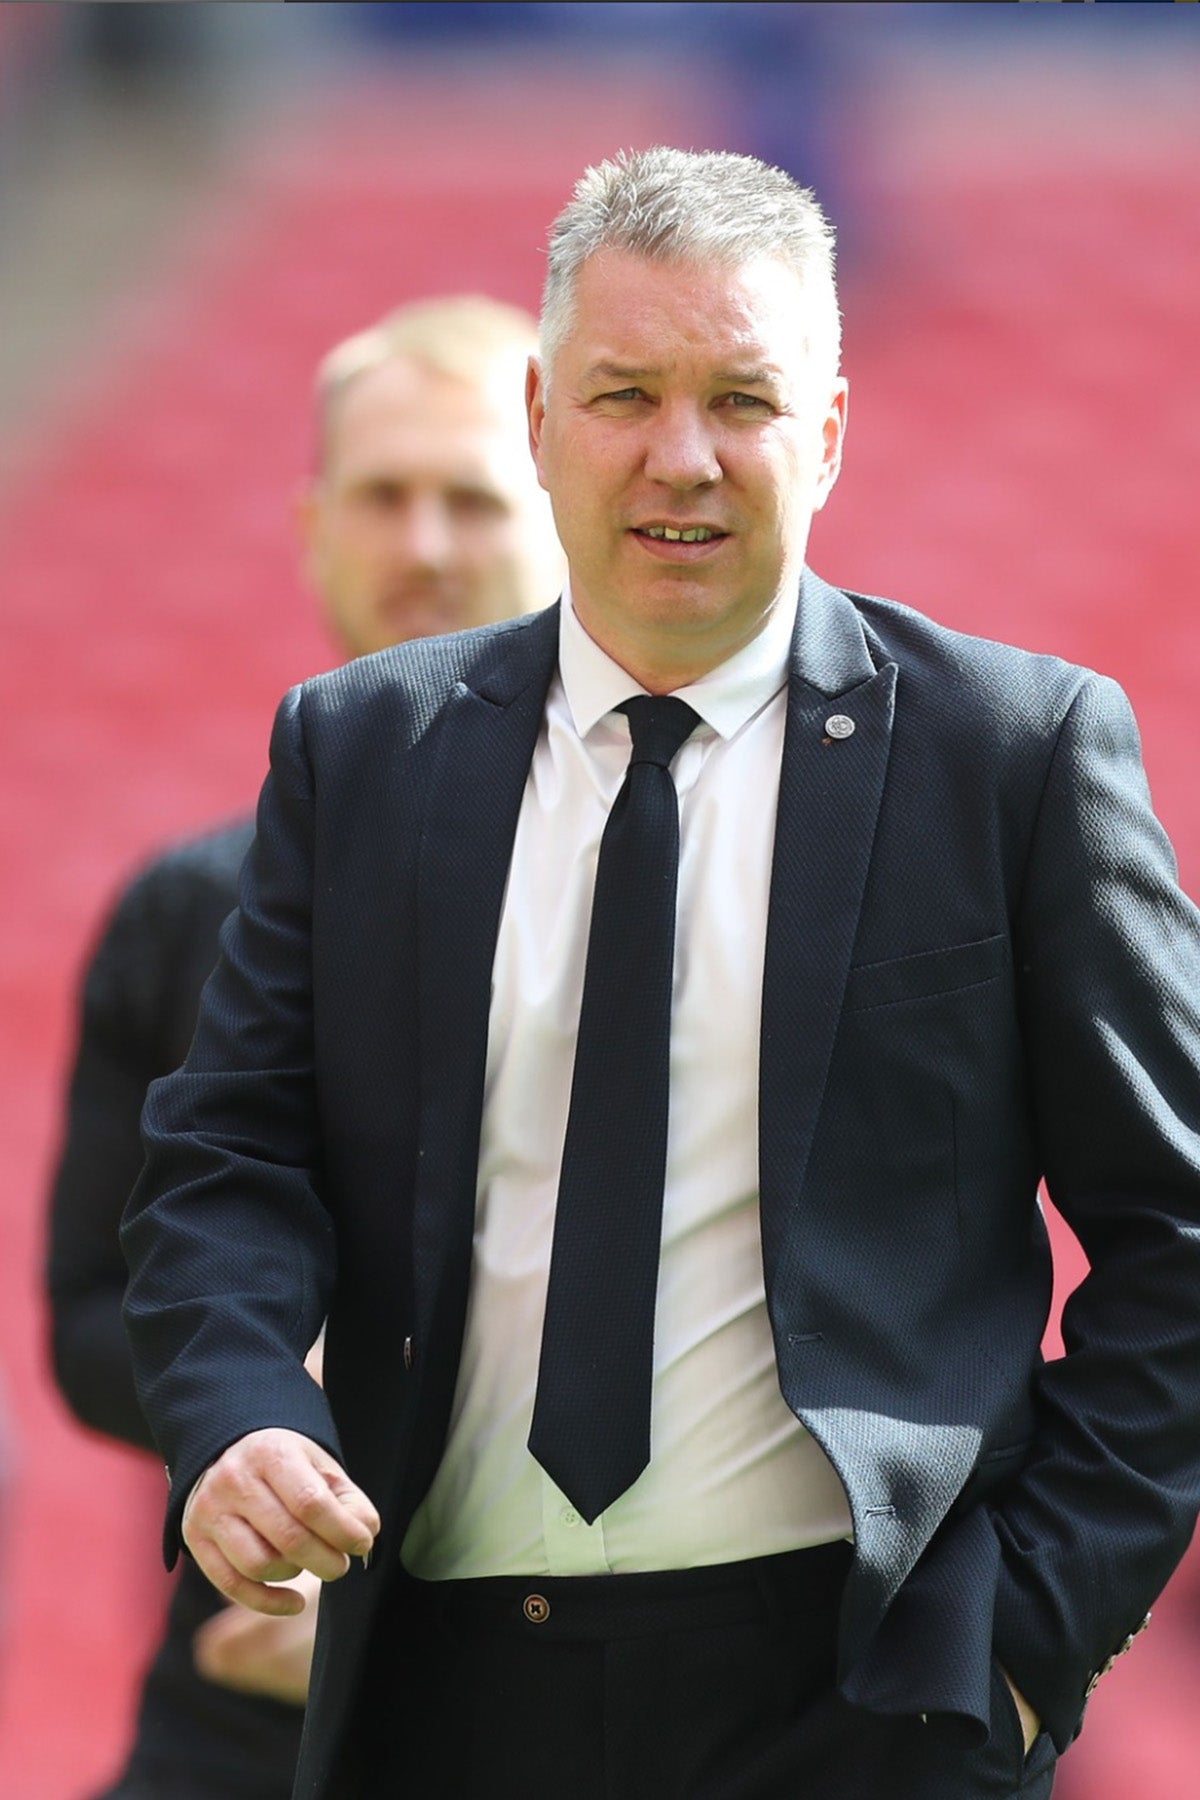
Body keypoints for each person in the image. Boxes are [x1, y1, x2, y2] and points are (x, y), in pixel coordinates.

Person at [120, 147, 1200, 1800]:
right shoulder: (364, 747)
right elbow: (226, 1157)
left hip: (869, 1705)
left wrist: (1026, 1634)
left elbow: (1178, 1234)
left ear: (829, 431)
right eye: (626, 394)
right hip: (438, 1700)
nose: (681, 457)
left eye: (742, 399)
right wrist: (246, 1408)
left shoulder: (1018, 752)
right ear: (544, 416)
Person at [46, 293, 561, 1800]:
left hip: (598, 1695)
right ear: (313, 529)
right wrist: (271, 1415)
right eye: (381, 497)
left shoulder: (705, 875)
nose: (424, 543)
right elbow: (86, 1317)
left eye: (470, 496)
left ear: (563, 517)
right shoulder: (187, 910)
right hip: (250, 1690)